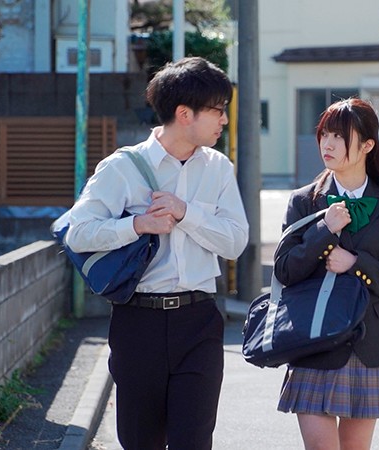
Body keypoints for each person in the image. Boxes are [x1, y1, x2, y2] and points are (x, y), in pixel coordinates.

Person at [64, 56, 249, 449]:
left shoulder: (217, 168)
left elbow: (235, 241)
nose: (224, 120)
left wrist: (186, 212)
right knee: (140, 441)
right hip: (138, 322)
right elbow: (77, 233)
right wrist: (136, 225)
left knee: (193, 441)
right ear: (184, 114)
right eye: (217, 110)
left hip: (199, 319)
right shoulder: (122, 168)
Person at [274, 98, 379, 449]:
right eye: (325, 134)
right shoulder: (304, 201)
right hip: (313, 341)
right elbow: (285, 269)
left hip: (370, 344)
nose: (328, 143)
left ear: (367, 145)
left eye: (339, 136)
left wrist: (355, 263)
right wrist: (325, 230)